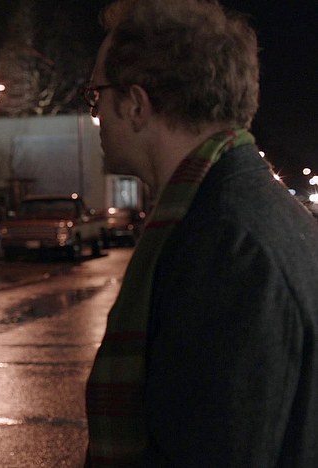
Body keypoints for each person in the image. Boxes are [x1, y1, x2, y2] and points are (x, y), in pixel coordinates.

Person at [83, 0, 318, 466]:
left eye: (96, 96)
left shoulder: (226, 246)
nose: (97, 116)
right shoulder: (245, 210)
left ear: (135, 104)